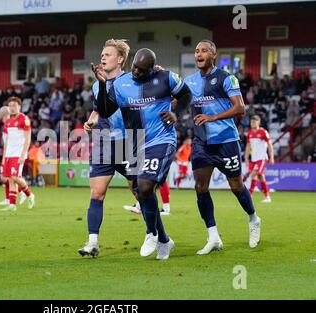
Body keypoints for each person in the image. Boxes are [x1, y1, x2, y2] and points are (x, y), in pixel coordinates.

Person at [94, 48, 192, 260]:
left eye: (141, 69)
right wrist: (103, 86)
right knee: (141, 191)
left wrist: (177, 113)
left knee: (146, 186)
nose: (136, 71)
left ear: (151, 70)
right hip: (136, 142)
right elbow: (104, 110)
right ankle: (164, 240)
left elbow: (186, 94)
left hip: (161, 140)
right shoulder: (121, 84)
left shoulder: (166, 78)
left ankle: (152, 233)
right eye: (134, 67)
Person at [184, 40, 261, 255]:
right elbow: (174, 96)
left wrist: (212, 117)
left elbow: (240, 108)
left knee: (236, 186)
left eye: (204, 51)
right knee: (200, 187)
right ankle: (213, 236)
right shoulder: (189, 81)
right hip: (202, 143)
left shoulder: (227, 78)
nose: (199, 54)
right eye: (196, 51)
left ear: (214, 55)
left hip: (226, 141)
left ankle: (253, 218)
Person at [77, 39, 137, 258]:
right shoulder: (96, 84)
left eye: (108, 54)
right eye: (102, 54)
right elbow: (97, 111)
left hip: (128, 141)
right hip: (103, 141)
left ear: (120, 59)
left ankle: (158, 236)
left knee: (141, 191)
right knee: (97, 193)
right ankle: (92, 242)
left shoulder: (131, 80)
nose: (103, 57)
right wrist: (91, 121)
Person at [0, 97, 35, 211]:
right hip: (9, 154)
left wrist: (23, 154)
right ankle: (12, 205)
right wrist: (4, 158)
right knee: (10, 178)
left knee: (14, 177)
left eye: (14, 105)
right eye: (10, 106)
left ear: (19, 106)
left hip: (18, 154)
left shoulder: (24, 119)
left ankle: (29, 194)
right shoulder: (8, 122)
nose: (12, 108)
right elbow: (6, 143)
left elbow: (27, 139)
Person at [245, 115, 274, 202]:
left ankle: (249, 195)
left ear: (259, 122)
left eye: (254, 121)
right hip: (254, 158)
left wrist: (271, 156)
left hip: (262, 158)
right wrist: (246, 157)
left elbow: (269, 144)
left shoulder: (263, 132)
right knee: (261, 176)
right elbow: (248, 145)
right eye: (251, 122)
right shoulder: (249, 133)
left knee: (254, 174)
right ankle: (267, 196)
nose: (252, 123)